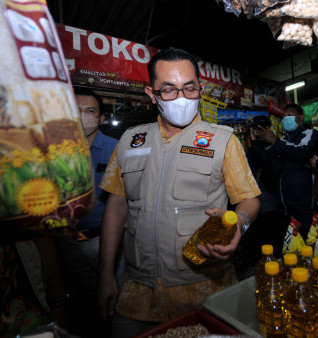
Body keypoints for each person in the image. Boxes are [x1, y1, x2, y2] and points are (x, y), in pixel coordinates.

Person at [97, 47, 260, 337]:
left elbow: (249, 199)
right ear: (151, 93)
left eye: (189, 88)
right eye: (169, 90)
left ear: (200, 87)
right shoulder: (130, 140)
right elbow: (117, 206)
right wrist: (106, 274)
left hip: (204, 287)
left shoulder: (223, 140)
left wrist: (240, 225)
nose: (182, 98)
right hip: (137, 289)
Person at [56, 88, 124, 337]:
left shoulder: (117, 149)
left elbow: (122, 204)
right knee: (75, 305)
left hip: (104, 244)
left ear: (101, 118)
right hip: (64, 243)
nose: (81, 116)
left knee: (111, 306)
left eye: (89, 111)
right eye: (75, 111)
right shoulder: (51, 152)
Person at [255, 104, 318, 249]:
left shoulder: (311, 134)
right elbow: (267, 162)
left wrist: (276, 142)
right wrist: (259, 142)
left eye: (290, 115)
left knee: (307, 247)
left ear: (301, 118)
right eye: (284, 116)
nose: (286, 119)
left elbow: (301, 152)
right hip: (284, 207)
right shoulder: (282, 139)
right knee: (288, 249)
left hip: (305, 208)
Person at [233, 115, 283, 279]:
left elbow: (272, 172)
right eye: (255, 128)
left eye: (261, 128)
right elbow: (249, 170)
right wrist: (254, 142)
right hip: (254, 207)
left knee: (270, 246)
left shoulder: (276, 147)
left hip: (271, 206)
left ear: (268, 128)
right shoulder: (253, 148)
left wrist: (264, 143)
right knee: (257, 246)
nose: (258, 131)